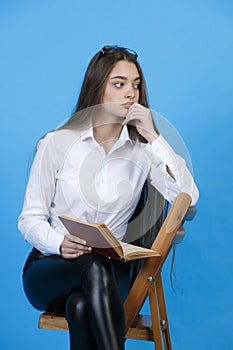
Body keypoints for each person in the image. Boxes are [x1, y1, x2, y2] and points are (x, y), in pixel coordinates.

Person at [18, 45, 199, 350]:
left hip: (112, 272)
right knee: (90, 268)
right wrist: (58, 243)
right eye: (119, 84)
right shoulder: (57, 143)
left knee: (81, 306)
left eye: (136, 85)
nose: (131, 93)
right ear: (97, 89)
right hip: (52, 266)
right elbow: (29, 219)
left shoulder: (143, 151)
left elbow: (189, 198)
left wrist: (154, 136)